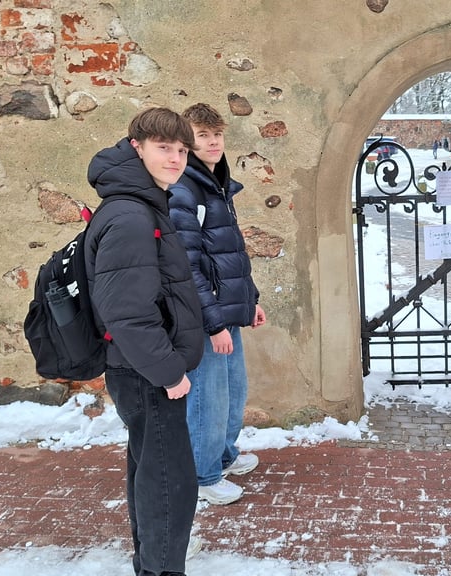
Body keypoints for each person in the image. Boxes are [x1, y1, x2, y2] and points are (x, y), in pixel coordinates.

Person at [85, 106, 205, 575]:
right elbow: (128, 312)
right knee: (169, 483)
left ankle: (151, 564)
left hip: (141, 369)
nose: (175, 159)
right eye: (164, 148)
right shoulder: (132, 215)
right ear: (136, 147)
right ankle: (160, 569)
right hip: (145, 373)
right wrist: (169, 371)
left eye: (180, 150)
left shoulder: (142, 203)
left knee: (151, 473)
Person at [167, 103, 267, 506]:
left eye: (217, 135)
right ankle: (203, 474)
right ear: (187, 143)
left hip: (227, 309)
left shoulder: (217, 185)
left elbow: (230, 252)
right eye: (202, 136)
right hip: (206, 316)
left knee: (233, 391)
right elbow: (187, 263)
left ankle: (223, 456)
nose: (212, 142)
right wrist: (212, 324)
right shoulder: (184, 190)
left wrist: (251, 300)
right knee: (209, 396)